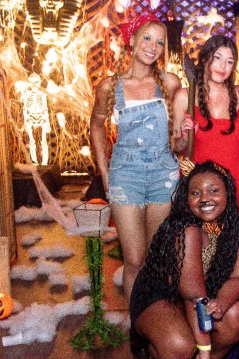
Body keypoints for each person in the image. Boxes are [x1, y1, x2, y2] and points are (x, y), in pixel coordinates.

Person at [129, 161, 239, 359]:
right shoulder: (185, 229)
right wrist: (203, 347)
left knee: (237, 313)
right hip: (161, 297)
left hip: (201, 296)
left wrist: (221, 303)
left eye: (213, 190)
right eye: (195, 193)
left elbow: (238, 276)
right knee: (178, 348)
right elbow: (193, 296)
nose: (205, 198)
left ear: (228, 192)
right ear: (186, 199)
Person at [89, 13, 182, 301]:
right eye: (147, 38)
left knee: (156, 256)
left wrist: (183, 136)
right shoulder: (109, 86)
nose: (153, 47)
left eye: (160, 42)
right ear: (132, 40)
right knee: (133, 259)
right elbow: (96, 125)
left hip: (163, 175)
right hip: (126, 175)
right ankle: (137, 323)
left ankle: (156, 317)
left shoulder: (170, 83)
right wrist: (104, 171)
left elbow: (180, 134)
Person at [174, 35, 239, 220]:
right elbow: (175, 147)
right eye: (217, 58)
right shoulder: (184, 97)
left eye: (229, 61)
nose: (223, 66)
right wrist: (185, 138)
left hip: (234, 188)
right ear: (204, 58)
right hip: (198, 190)